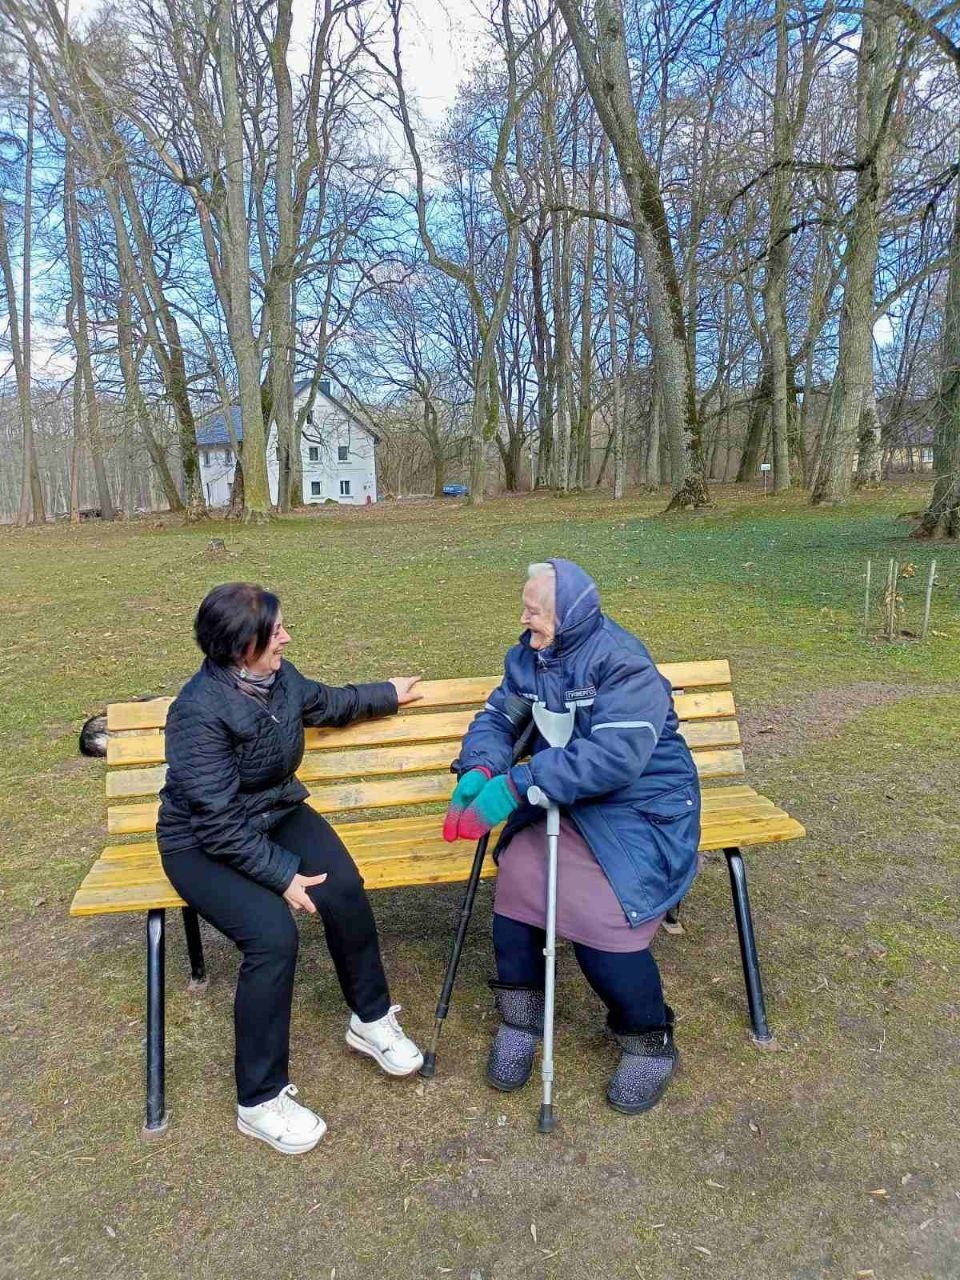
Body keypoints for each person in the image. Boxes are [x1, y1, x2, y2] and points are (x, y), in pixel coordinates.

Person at [157, 582, 424, 1154]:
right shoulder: (197, 714)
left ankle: (371, 1020)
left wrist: (388, 693)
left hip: (273, 813)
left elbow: (329, 703)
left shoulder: (280, 679)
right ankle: (259, 1101)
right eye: (275, 631)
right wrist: (283, 876)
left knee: (343, 887)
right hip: (199, 844)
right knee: (272, 937)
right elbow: (217, 824)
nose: (286, 638)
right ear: (240, 646)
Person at [443, 560, 700, 1114]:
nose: (523, 618)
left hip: (638, 809)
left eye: (533, 610)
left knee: (601, 922)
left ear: (568, 615)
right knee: (518, 889)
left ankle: (648, 1040)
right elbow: (500, 718)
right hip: (562, 800)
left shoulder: (621, 663)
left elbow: (614, 758)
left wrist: (520, 784)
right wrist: (481, 766)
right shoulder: (529, 658)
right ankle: (521, 1020)